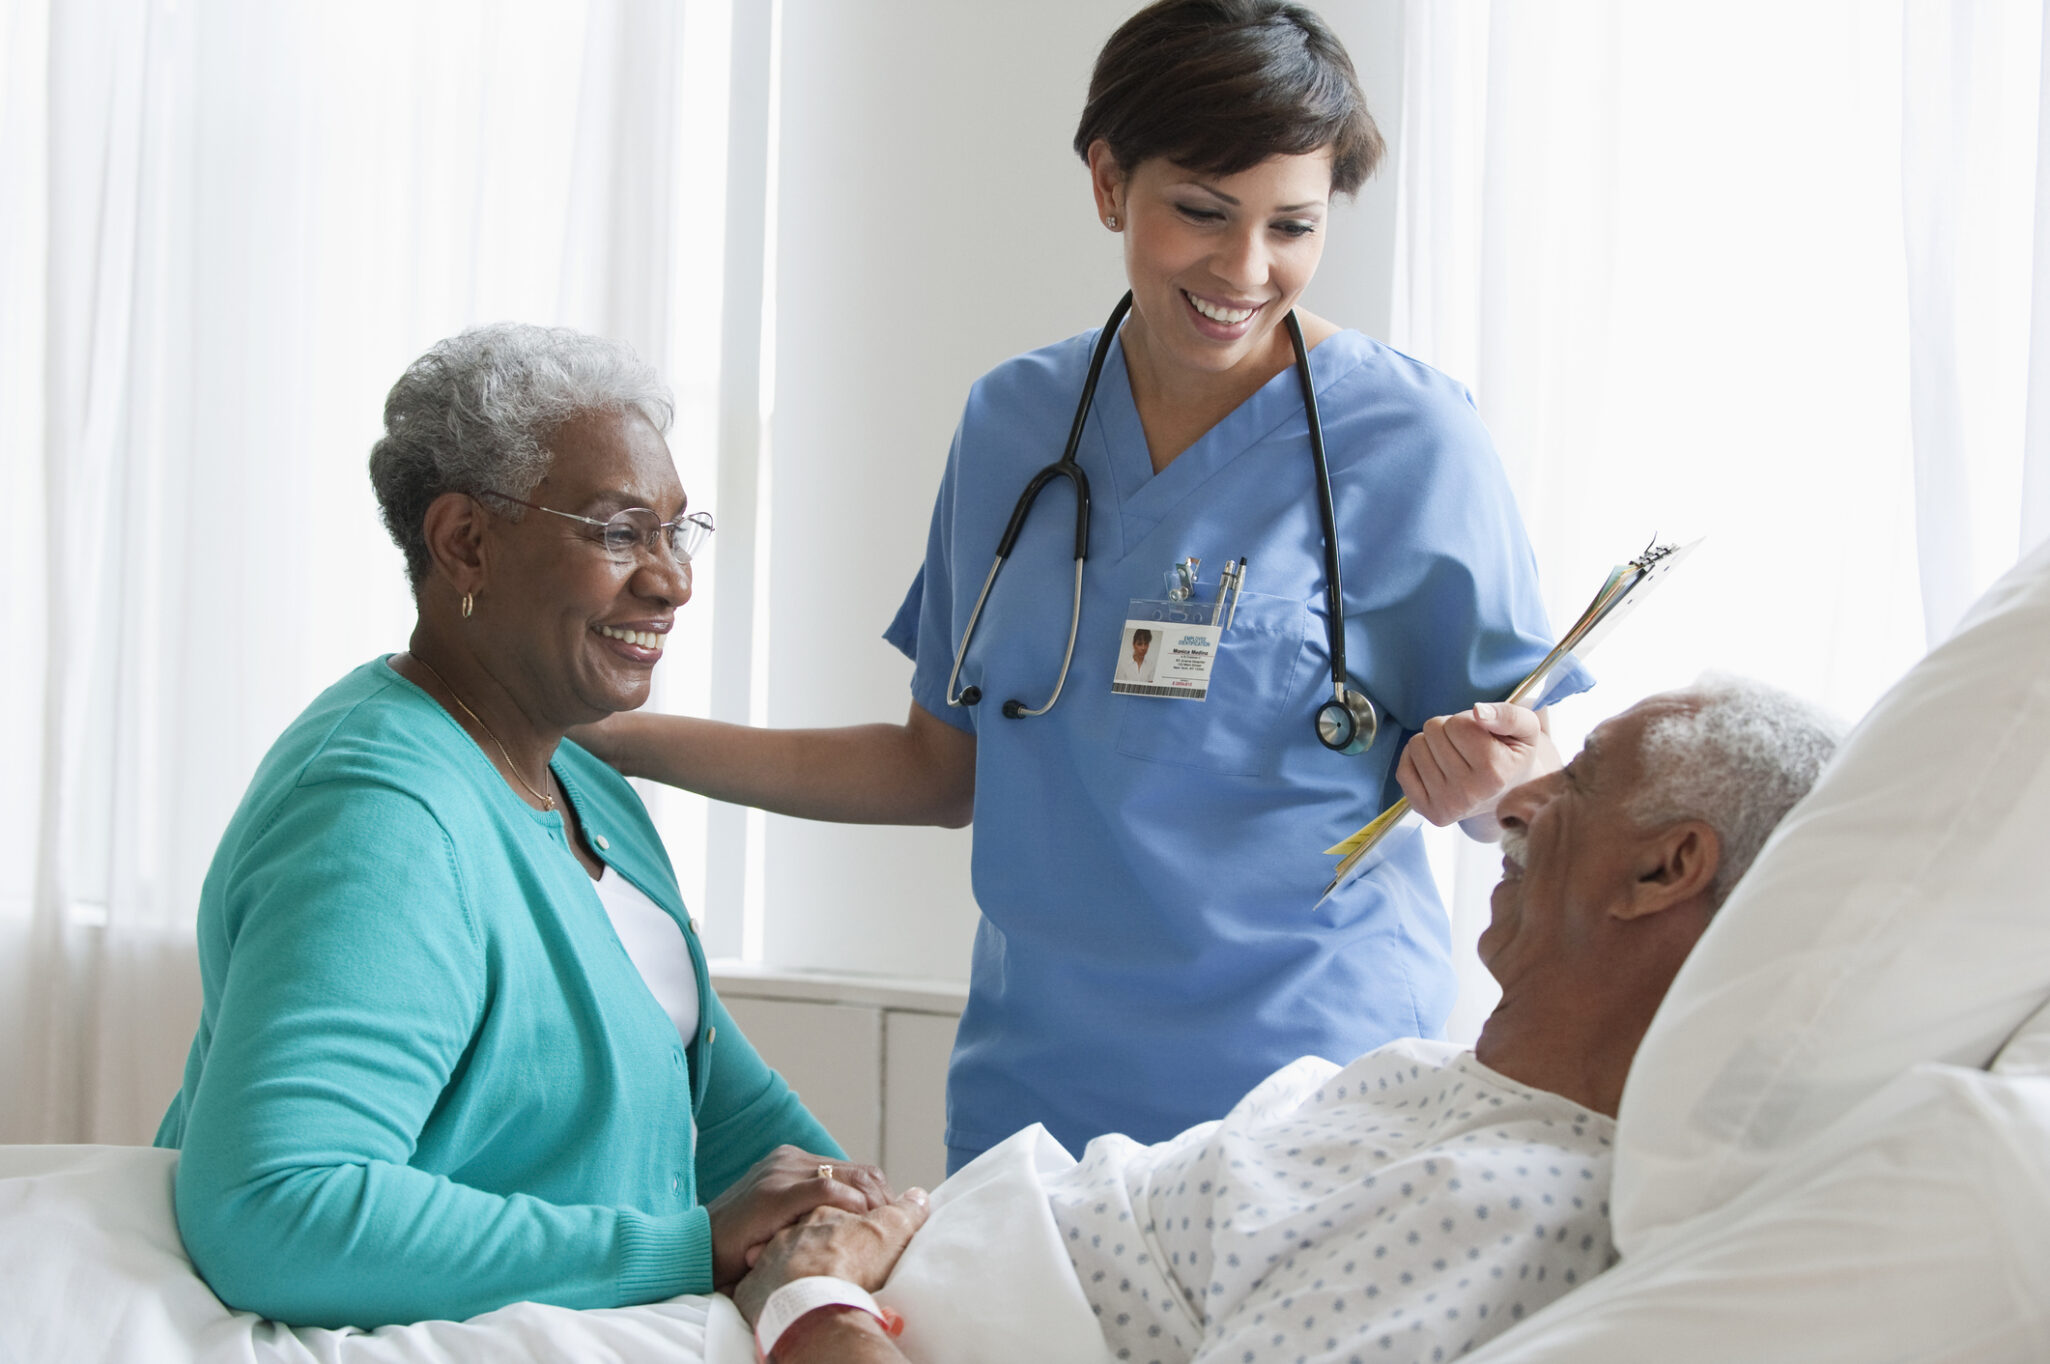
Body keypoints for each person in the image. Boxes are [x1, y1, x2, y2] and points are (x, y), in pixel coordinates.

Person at [575, 0, 1590, 1172]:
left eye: (1291, 227)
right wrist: (620, 738)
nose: (1244, 269)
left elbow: (1523, 797)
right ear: (1109, 182)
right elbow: (938, 765)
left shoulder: (1407, 436)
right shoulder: (1017, 420)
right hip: (1038, 1094)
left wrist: (1493, 777)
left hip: (1312, 1093)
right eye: (1200, 213)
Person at [726, 678, 1846, 1364]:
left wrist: (809, 1299)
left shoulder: (1509, 1202)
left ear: (1664, 867)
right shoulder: (1426, 1080)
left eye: (1581, 776)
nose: (1521, 799)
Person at [154, 323, 892, 1330]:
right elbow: (276, 1205)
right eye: (620, 530)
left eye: (680, 529)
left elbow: (723, 1113)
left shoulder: (585, 780)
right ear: (465, 542)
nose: (671, 577)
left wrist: (858, 1212)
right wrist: (685, 1243)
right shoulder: (380, 811)